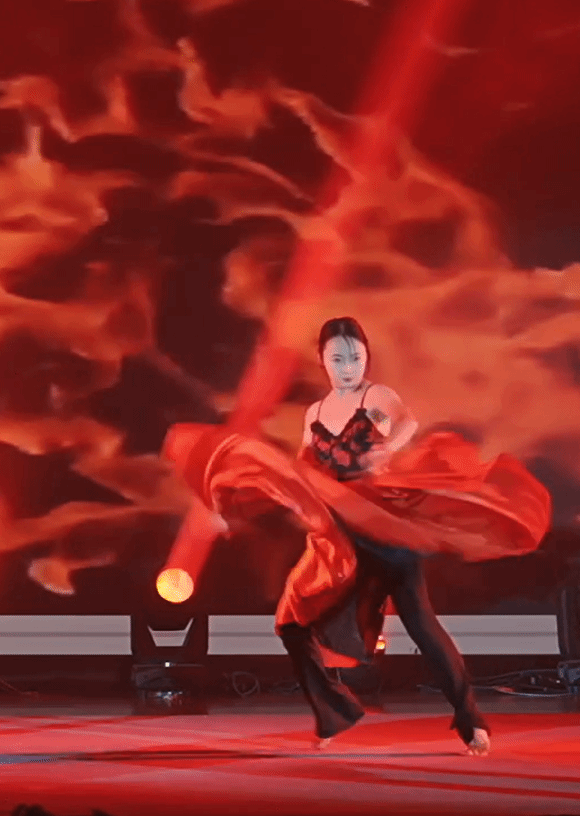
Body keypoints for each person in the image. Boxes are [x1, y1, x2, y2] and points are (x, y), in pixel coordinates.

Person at [164, 317, 552, 755]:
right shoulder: (315, 413)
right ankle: (334, 711)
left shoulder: (375, 397)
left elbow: (403, 422)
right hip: (341, 536)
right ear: (322, 361)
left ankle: (470, 720)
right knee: (291, 623)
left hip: (382, 528)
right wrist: (241, 504)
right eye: (337, 359)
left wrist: (388, 446)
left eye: (355, 357)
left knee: (421, 624)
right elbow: (299, 472)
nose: (348, 367)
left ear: (366, 356)